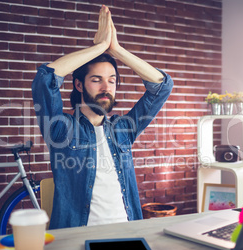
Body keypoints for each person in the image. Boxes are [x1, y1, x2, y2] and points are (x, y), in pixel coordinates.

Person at [32, 5, 173, 229]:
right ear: (79, 84)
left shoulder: (123, 129)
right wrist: (98, 48)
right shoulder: (61, 129)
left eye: (112, 80)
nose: (106, 87)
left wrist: (116, 49)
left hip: (128, 232)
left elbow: (162, 87)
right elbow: (44, 79)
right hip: (78, 237)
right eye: (96, 79)